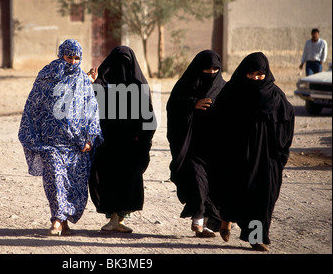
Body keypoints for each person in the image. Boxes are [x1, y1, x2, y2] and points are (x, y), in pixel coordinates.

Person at [18, 39, 103, 236]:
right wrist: (34, 133)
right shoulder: (47, 76)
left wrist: (90, 138)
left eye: (77, 58)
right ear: (61, 55)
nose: (73, 61)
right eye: (69, 57)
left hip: (77, 145)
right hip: (52, 142)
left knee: (73, 183)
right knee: (55, 179)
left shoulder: (82, 80)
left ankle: (64, 221)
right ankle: (56, 219)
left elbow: (91, 110)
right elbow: (33, 105)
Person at [211, 52, 294, 251]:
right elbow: (218, 122)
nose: (256, 78)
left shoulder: (276, 96)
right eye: (252, 74)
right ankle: (226, 218)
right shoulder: (232, 92)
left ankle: (257, 237)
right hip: (237, 156)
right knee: (235, 193)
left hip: (267, 158)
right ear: (244, 73)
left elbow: (287, 121)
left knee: (262, 199)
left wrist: (279, 151)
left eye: (260, 74)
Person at [89, 46, 156, 233]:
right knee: (106, 178)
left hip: (131, 145)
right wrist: (90, 83)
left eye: (126, 63)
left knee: (128, 179)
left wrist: (143, 140)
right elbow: (88, 105)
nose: (121, 67)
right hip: (105, 143)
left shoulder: (139, 86)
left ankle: (120, 219)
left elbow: (148, 117)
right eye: (117, 63)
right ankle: (112, 218)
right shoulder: (101, 83)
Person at [166, 50, 226, 238]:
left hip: (215, 144)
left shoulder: (223, 87)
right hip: (190, 142)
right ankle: (198, 218)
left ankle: (209, 223)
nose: (211, 72)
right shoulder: (186, 84)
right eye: (207, 69)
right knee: (196, 178)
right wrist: (193, 104)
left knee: (215, 183)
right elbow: (173, 106)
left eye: (215, 69)